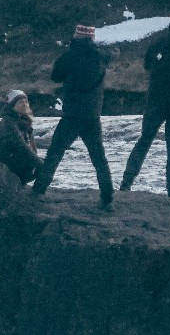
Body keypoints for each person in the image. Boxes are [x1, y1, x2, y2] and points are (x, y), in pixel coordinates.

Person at [32, 26, 114, 206]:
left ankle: (39, 189)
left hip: (72, 113)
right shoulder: (101, 57)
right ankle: (107, 196)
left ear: (79, 36)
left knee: (55, 151)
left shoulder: (70, 55)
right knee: (98, 156)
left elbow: (55, 76)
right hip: (93, 114)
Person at [121, 13, 170, 198]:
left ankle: (126, 182)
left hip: (155, 99)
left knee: (145, 140)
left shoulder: (158, 41)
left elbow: (147, 64)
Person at [0, 89, 40, 182]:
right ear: (12, 106)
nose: (24, 104)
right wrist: (40, 164)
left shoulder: (24, 122)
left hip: (7, 159)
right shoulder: (8, 121)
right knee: (30, 159)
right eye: (20, 102)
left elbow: (32, 149)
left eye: (26, 102)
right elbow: (21, 146)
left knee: (39, 161)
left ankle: (23, 186)